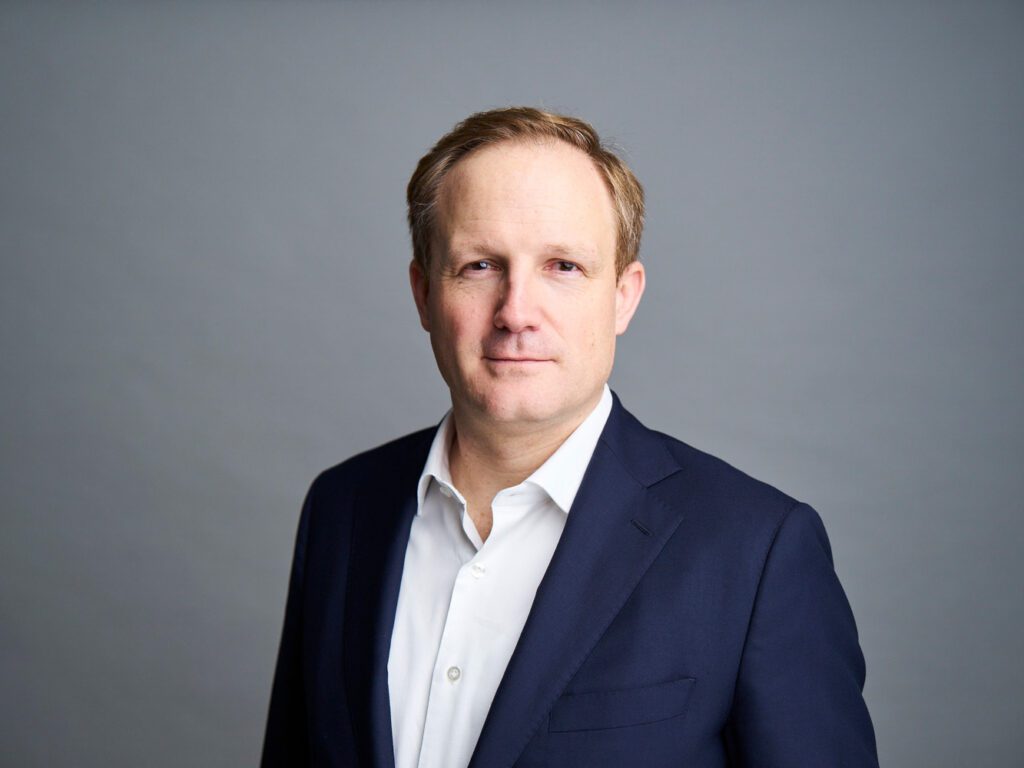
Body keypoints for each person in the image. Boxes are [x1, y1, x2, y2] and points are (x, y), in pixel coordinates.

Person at [261, 107, 879, 767]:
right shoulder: (342, 509)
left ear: (623, 296)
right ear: (422, 294)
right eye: (478, 266)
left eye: (563, 267)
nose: (516, 313)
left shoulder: (755, 552)